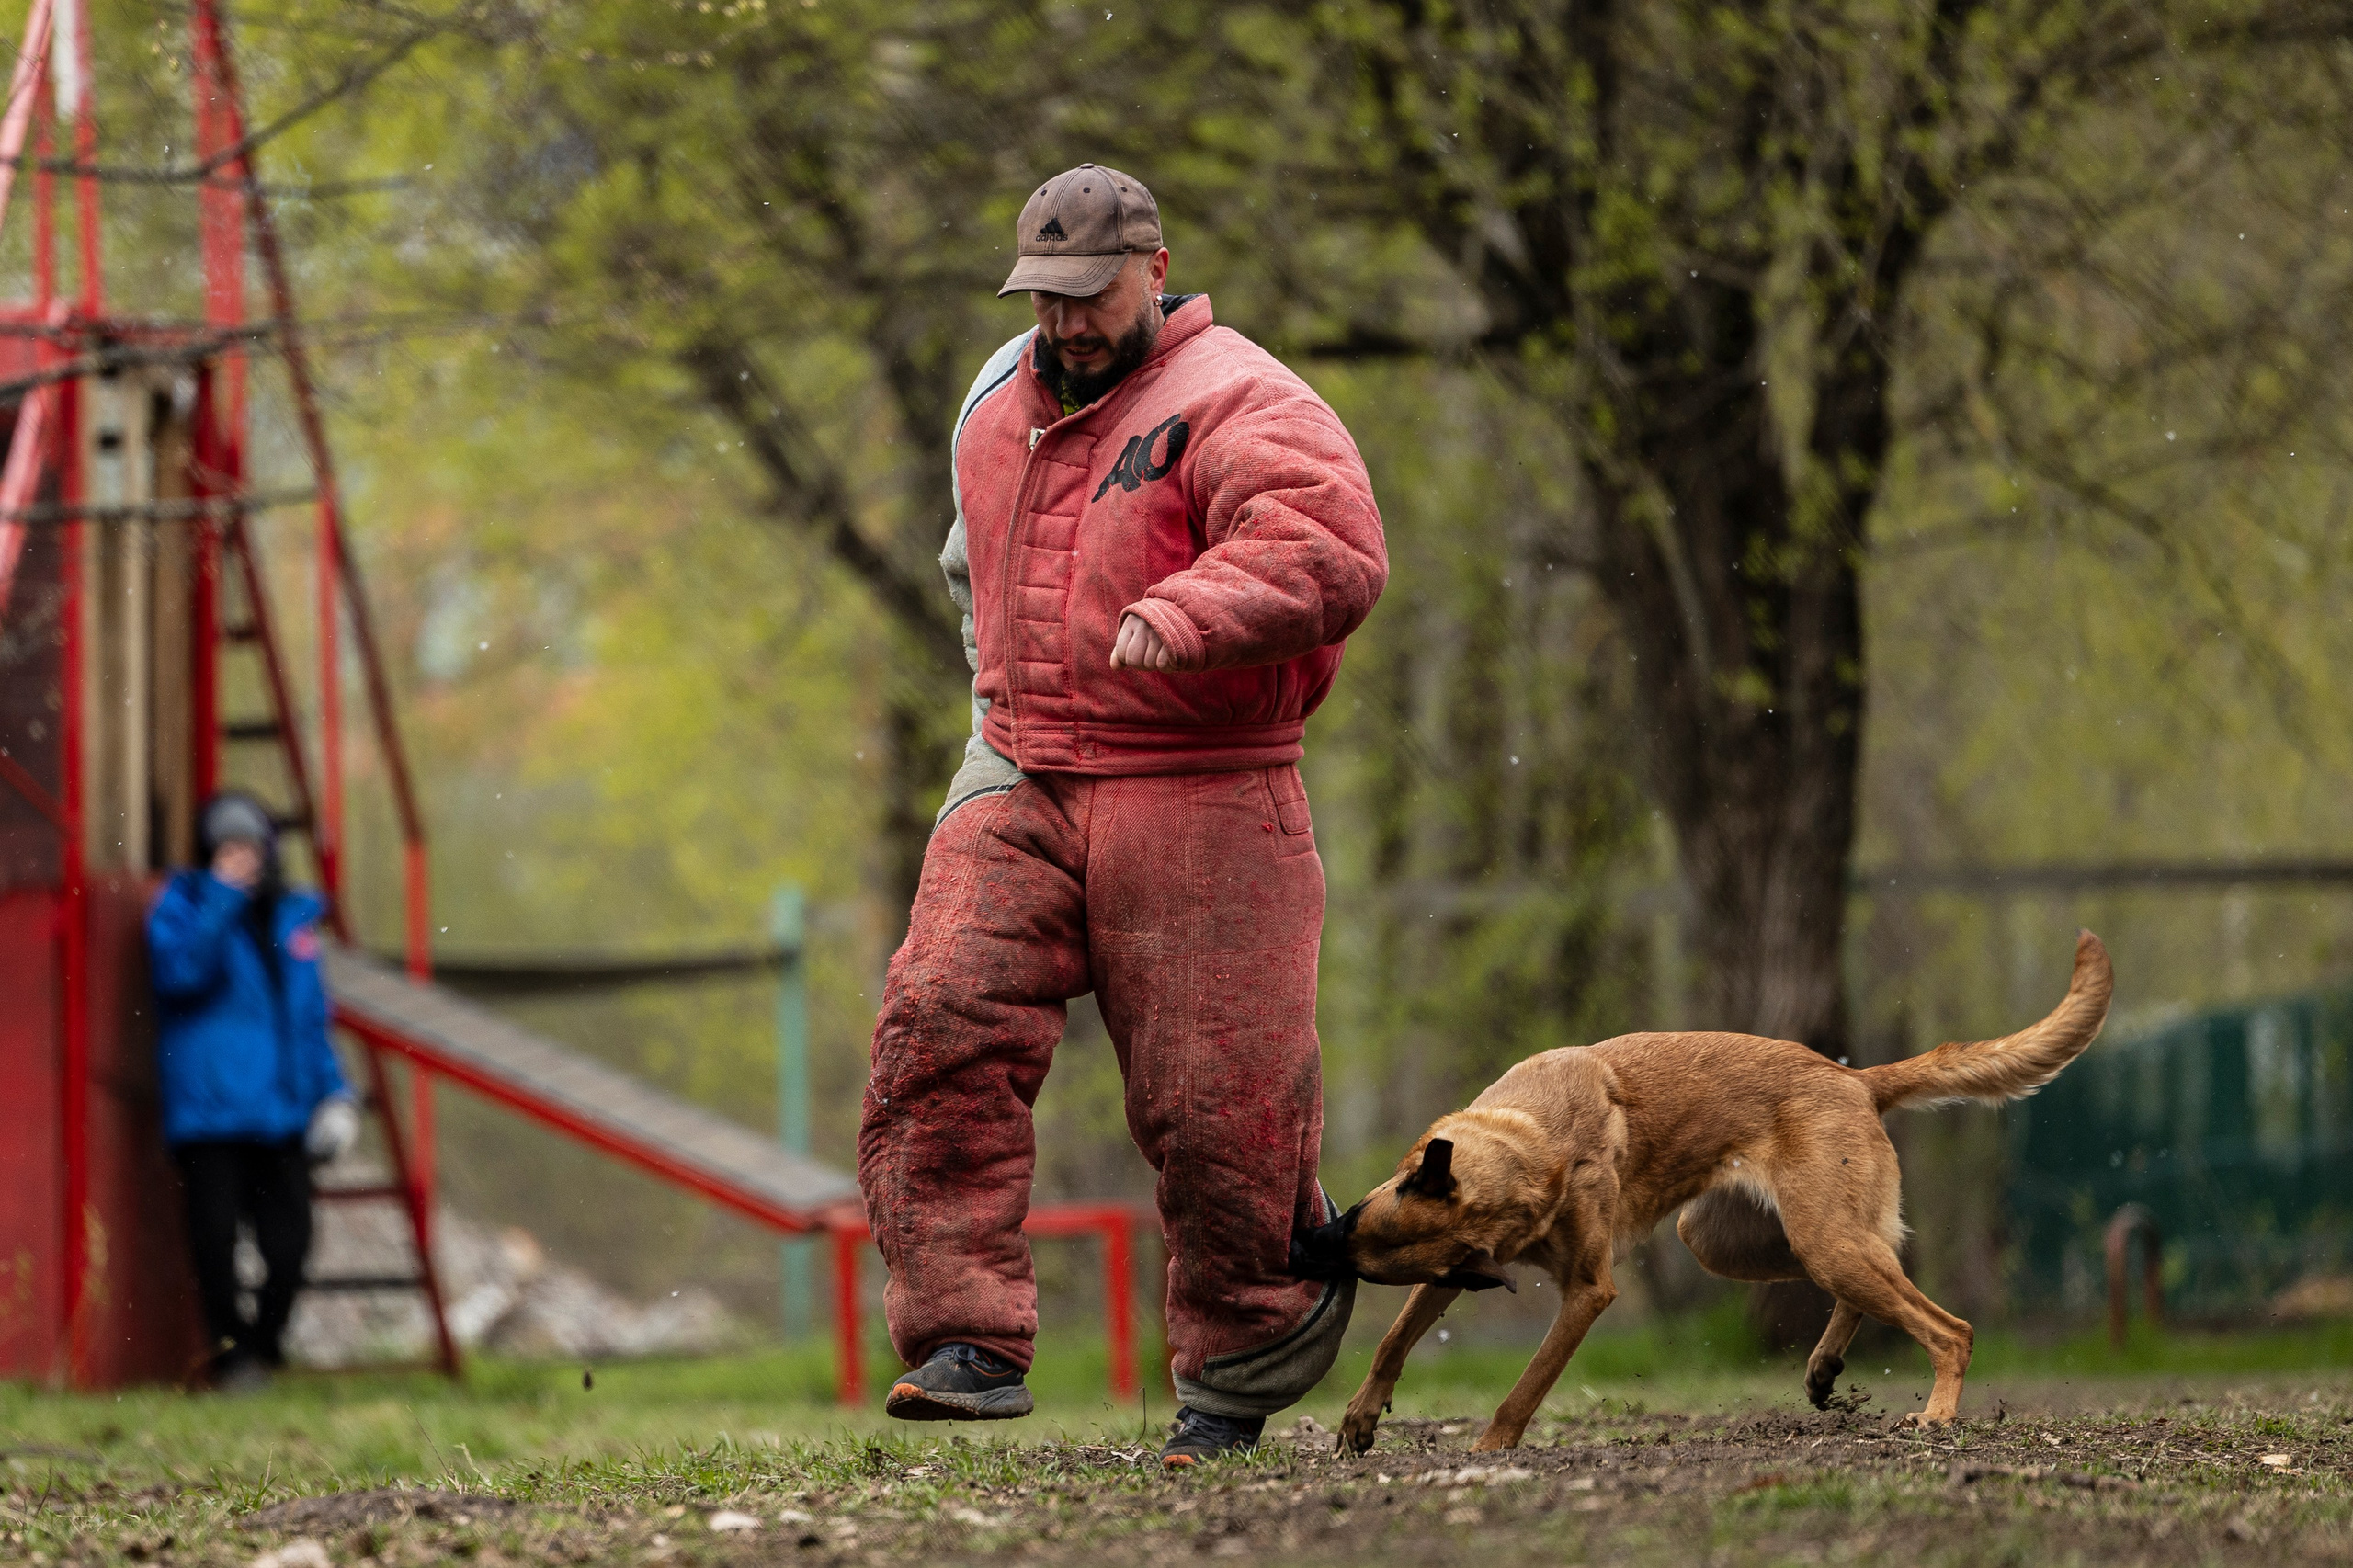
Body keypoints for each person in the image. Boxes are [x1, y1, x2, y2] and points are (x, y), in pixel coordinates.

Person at [858, 164, 1388, 1467]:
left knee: (1216, 1102)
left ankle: (1242, 1352)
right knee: (937, 1020)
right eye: (1045, 297)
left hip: (1205, 774)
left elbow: (1328, 544)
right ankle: (965, 1336)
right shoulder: (996, 391)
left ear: (1156, 269)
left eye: (1091, 294)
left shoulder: (1243, 398)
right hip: (1023, 763)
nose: (1068, 321)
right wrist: (1006, 681)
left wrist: (1187, 613)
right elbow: (963, 556)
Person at [147, 790, 358, 1390]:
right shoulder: (184, 904)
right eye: (228, 847)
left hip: (282, 1113)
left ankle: (262, 1350)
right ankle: (232, 1360)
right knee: (215, 1248)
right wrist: (221, 897)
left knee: (290, 1248)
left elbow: (309, 1020)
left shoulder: (292, 920)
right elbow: (181, 973)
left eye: (250, 848)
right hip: (210, 1113)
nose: (241, 858)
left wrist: (336, 1094)